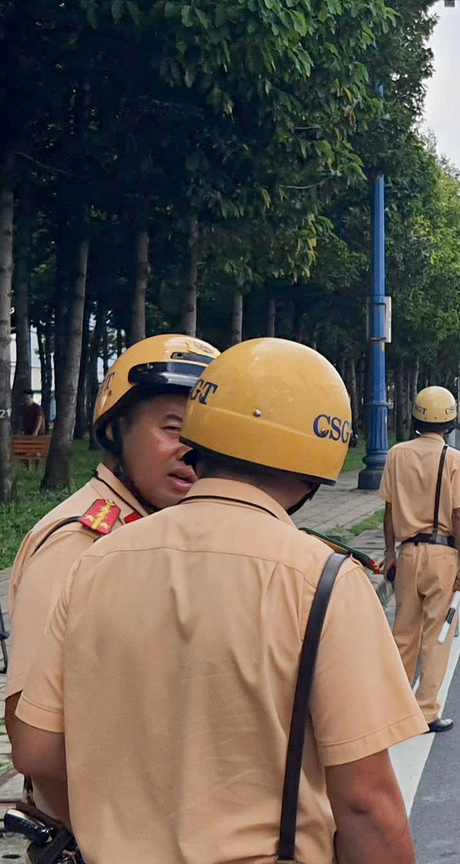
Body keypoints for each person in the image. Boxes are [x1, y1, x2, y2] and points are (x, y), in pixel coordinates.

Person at [12, 337, 423, 863]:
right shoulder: (322, 580)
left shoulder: (94, 562)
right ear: (318, 468)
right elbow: (366, 805)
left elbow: (35, 749)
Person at [4, 334, 219, 817]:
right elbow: (31, 743)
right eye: (173, 429)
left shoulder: (168, 532)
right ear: (118, 428)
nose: (191, 452)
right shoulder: (78, 545)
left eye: (207, 437)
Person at [380, 386, 460, 734]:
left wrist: (390, 554)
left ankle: (394, 707)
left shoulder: (396, 454)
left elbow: (389, 511)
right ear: (451, 421)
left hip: (407, 553)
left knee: (403, 632)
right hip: (443, 554)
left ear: (415, 417)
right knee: (438, 635)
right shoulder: (454, 460)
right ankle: (425, 712)